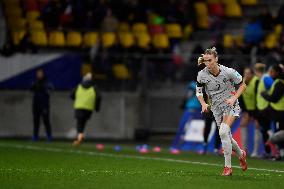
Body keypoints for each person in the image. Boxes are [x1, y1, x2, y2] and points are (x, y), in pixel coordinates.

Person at [196, 47, 247, 176]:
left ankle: (227, 168)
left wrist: (234, 97)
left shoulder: (228, 72)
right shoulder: (202, 74)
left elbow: (243, 85)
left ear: (216, 59)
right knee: (226, 136)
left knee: (223, 132)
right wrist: (203, 103)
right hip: (216, 108)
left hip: (231, 105)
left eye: (210, 60)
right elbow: (199, 91)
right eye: (206, 61)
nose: (208, 63)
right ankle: (241, 154)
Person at [71, 73, 101, 146]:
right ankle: (79, 137)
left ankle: (79, 138)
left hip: (79, 106)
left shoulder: (79, 86)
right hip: (88, 108)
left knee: (79, 124)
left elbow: (71, 95)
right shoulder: (94, 87)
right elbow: (99, 97)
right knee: (83, 123)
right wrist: (97, 107)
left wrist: (77, 99)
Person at [239, 67, 261, 157]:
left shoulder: (256, 82)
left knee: (257, 125)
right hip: (248, 109)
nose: (246, 75)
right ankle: (244, 151)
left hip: (258, 108)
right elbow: (240, 97)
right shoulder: (243, 82)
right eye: (245, 73)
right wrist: (245, 111)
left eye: (248, 73)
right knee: (243, 124)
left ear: (252, 74)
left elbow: (258, 97)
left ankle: (255, 152)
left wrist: (255, 113)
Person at [31, 69, 53, 142]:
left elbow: (51, 89)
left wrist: (45, 88)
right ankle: (35, 136)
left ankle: (49, 137)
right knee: (36, 121)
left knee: (46, 121)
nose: (39, 75)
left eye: (40, 73)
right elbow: (31, 89)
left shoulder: (47, 82)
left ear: (43, 74)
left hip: (44, 105)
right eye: (38, 73)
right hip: (36, 104)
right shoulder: (35, 82)